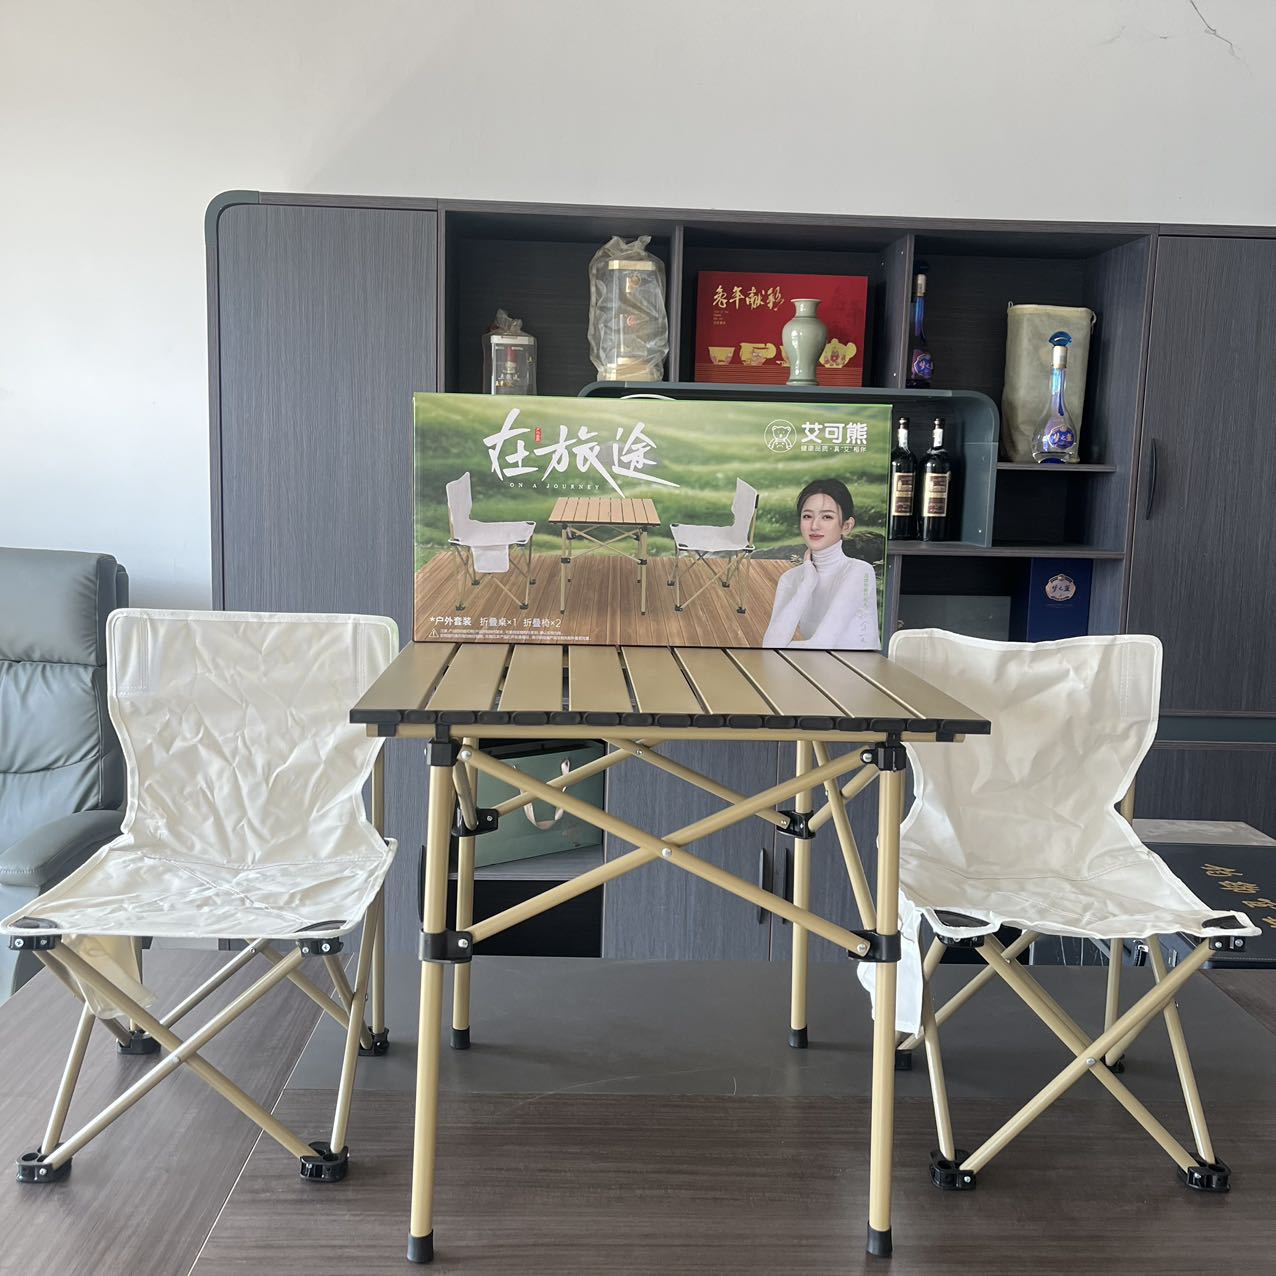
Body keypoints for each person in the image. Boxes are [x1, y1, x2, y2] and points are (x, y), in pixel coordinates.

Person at [762, 478, 880, 649]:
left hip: (854, 666)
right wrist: (807, 584)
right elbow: (769, 645)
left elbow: (822, 643)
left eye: (827, 517)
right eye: (807, 516)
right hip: (815, 663)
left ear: (846, 526)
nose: (814, 526)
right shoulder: (790, 579)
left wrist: (784, 647)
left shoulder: (860, 572)